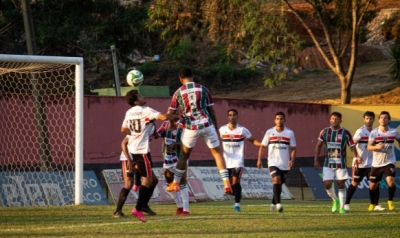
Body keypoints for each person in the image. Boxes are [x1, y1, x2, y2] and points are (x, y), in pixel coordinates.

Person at [166, 68, 232, 195]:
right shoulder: (203, 89)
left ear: (180, 79)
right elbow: (211, 111)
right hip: (207, 124)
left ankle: (175, 184)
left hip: (191, 128)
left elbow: (171, 112)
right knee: (217, 153)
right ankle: (226, 183)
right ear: (193, 76)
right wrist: (216, 128)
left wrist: (172, 124)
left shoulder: (178, 93)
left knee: (184, 157)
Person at [121, 89, 177, 222]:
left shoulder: (128, 113)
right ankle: (138, 209)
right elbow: (163, 117)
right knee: (148, 180)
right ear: (136, 101)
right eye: (140, 96)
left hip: (134, 148)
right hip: (141, 150)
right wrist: (174, 117)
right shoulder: (145, 110)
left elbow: (123, 129)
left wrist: (135, 133)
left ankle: (138, 191)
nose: (143, 96)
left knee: (150, 179)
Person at [314, 112, 360, 214]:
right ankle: (335, 200)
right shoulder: (324, 132)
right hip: (328, 163)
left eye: (337, 119)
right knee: (327, 184)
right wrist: (316, 160)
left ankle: (342, 207)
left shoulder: (346, 133)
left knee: (341, 184)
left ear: (340, 121)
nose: (334, 120)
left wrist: (355, 159)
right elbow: (318, 146)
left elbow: (352, 146)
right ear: (330, 120)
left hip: (341, 163)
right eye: (333, 118)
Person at [219, 108, 261, 212]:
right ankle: (237, 193)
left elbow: (253, 140)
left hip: (238, 161)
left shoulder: (242, 130)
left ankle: (237, 205)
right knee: (229, 188)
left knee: (235, 181)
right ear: (227, 117)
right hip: (226, 162)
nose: (232, 117)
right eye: (230, 115)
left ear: (237, 117)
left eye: (234, 115)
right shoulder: (222, 130)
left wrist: (262, 145)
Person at [344, 111, 385, 211]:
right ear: (364, 119)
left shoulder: (376, 132)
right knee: (355, 183)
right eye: (367, 118)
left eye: (371, 118)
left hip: (373, 163)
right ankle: (346, 203)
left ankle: (376, 204)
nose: (369, 120)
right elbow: (352, 144)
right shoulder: (360, 131)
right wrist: (356, 157)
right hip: (360, 163)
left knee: (375, 183)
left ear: (374, 120)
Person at [257, 111, 296, 213]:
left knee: (279, 184)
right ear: (274, 120)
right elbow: (262, 146)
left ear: (285, 120)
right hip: (272, 162)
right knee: (276, 180)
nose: (279, 120)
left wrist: (292, 160)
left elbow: (293, 148)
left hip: (285, 163)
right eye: (277, 119)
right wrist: (259, 159)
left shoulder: (289, 133)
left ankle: (273, 203)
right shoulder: (269, 132)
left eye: (281, 118)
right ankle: (279, 205)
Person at [367, 111, 400, 211]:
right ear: (379, 120)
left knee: (390, 182)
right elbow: (369, 147)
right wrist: (376, 146)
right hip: (376, 163)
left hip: (389, 161)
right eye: (381, 117)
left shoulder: (394, 131)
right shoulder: (374, 132)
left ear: (389, 120)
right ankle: (372, 203)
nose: (383, 119)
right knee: (373, 186)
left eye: (385, 118)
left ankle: (390, 201)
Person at [157, 117, 190, 216]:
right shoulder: (165, 124)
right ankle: (179, 206)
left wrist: (176, 143)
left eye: (173, 112)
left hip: (180, 158)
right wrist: (150, 125)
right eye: (170, 112)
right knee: (169, 186)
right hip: (168, 158)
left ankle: (185, 210)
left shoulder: (183, 126)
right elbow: (156, 135)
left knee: (182, 183)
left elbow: (189, 142)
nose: (170, 113)